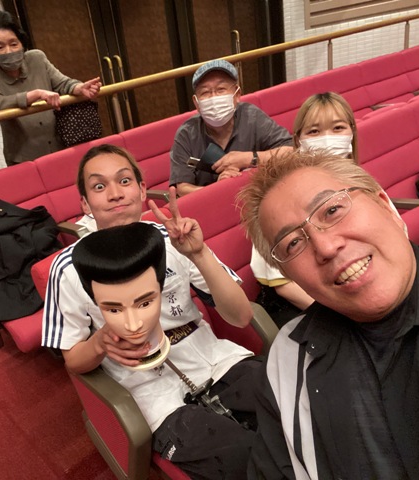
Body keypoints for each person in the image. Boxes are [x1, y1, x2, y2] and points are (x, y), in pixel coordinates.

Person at [42, 144, 263, 479]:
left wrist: (198, 254)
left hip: (216, 361)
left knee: (299, 412)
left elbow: (241, 317)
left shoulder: (175, 238)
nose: (115, 194)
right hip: (151, 395)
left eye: (124, 181)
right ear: (85, 204)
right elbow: (73, 360)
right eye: (99, 186)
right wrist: (100, 343)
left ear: (143, 189)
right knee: (246, 462)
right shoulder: (68, 268)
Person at [238, 149, 419, 479]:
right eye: (293, 244)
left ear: (385, 205)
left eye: (332, 210)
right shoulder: (288, 360)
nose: (326, 248)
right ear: (289, 275)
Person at [250, 92, 356, 327]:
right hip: (305, 303)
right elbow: (284, 285)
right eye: (314, 132)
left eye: (338, 128)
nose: (327, 139)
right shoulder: (280, 197)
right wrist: (347, 314)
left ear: (352, 132)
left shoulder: (363, 185)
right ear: (298, 140)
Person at [0, 10, 102, 166]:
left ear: (22, 42)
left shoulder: (37, 58)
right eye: (0, 47)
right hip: (22, 157)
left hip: (58, 147)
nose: (9, 51)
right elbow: (0, 103)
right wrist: (36, 94)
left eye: (14, 44)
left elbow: (62, 83)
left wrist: (79, 87)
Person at [169, 59, 292, 197]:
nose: (214, 97)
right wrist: (218, 188)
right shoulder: (186, 134)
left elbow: (290, 151)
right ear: (196, 103)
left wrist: (248, 158)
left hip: (255, 197)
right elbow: (182, 188)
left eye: (221, 89)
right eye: (205, 92)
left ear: (237, 94)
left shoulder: (252, 117)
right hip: (211, 203)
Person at [72, 222, 168, 366]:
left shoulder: (172, 239)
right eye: (114, 310)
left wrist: (199, 255)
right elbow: (73, 363)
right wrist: (98, 343)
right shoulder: (66, 271)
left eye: (145, 303)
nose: (133, 326)